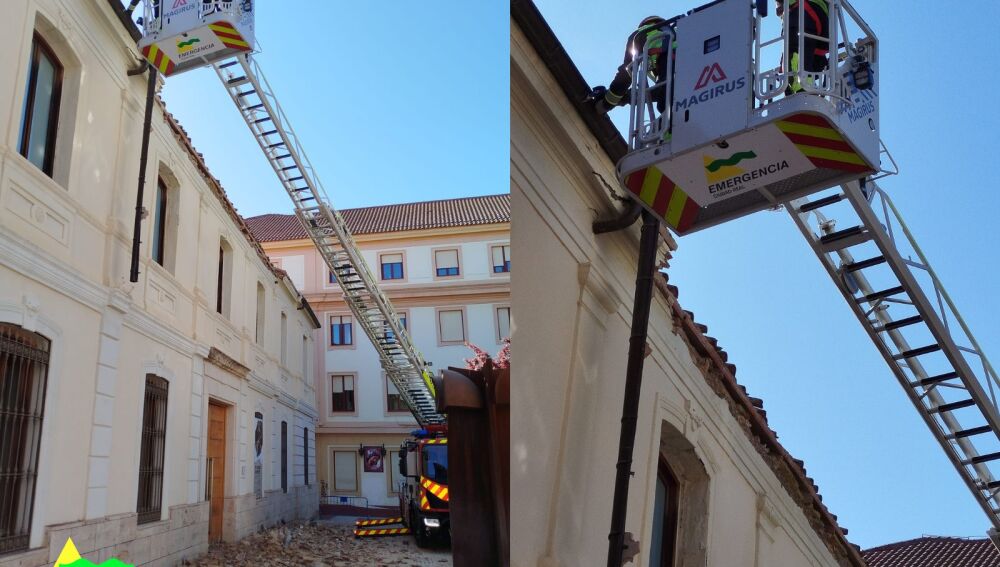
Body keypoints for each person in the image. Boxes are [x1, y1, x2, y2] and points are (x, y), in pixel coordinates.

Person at [591, 16, 671, 115]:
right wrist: (625, 98)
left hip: (671, 70)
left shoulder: (641, 33)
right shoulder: (681, 33)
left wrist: (606, 104)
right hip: (686, 82)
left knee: (665, 106)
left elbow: (626, 74)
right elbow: (661, 90)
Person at [777, 0, 830, 94]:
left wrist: (781, 6)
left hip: (802, 10)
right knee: (812, 55)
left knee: (793, 52)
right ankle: (806, 86)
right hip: (822, 18)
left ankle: (800, 87)